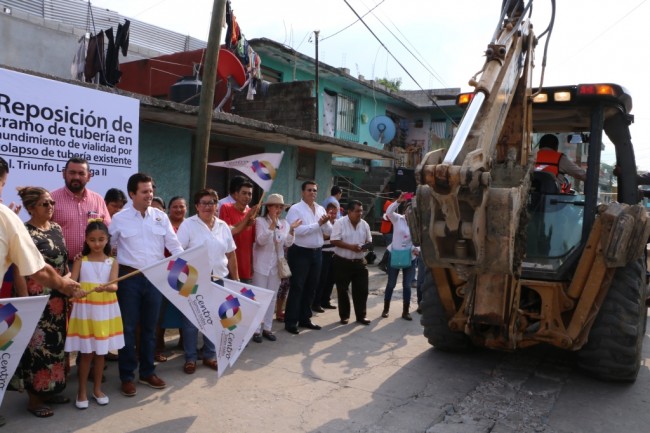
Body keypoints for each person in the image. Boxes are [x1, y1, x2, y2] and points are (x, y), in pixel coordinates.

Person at [12, 186, 85, 418]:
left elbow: (61, 264)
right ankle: (35, 399)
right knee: (38, 348)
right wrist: (25, 303)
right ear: (31, 207)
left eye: (52, 202)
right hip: (36, 299)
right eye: (45, 203)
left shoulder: (55, 228)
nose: (51, 207)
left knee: (56, 346)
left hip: (58, 298)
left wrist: (68, 287)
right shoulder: (24, 232)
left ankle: (51, 390)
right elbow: (19, 269)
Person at [108, 173, 183, 397]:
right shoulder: (120, 219)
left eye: (151, 191)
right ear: (132, 194)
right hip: (128, 279)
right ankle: (127, 376)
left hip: (155, 278)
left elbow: (174, 246)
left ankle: (148, 372)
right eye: (144, 191)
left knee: (150, 329)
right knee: (129, 329)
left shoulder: (160, 217)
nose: (149, 195)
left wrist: (186, 265)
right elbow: (109, 248)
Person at [176, 189, 238, 373]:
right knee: (191, 321)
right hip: (193, 280)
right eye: (203, 203)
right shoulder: (188, 225)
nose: (208, 206)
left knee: (214, 319)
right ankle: (190, 358)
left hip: (219, 278)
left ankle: (210, 355)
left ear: (216, 205)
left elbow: (231, 253)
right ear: (196, 206)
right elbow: (178, 252)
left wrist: (236, 279)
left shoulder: (223, 226)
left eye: (212, 202)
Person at [65, 220, 124, 409]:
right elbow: (72, 284)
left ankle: (97, 389)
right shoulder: (80, 260)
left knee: (101, 354)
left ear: (107, 240)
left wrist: (107, 288)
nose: (97, 244)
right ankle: (81, 391)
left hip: (105, 310)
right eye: (92, 240)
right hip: (86, 310)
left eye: (101, 239)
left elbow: (115, 286)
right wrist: (76, 291)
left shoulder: (112, 261)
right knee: (86, 353)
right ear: (86, 240)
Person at [251, 194, 300, 343]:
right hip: (261, 264)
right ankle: (256, 330)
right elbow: (260, 241)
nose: (278, 210)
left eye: (280, 207)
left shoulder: (284, 223)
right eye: (275, 206)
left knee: (272, 297)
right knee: (259, 297)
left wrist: (291, 230)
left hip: (275, 265)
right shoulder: (260, 221)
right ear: (269, 208)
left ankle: (267, 327)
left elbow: (287, 243)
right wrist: (271, 226)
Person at [284, 181, 329, 334]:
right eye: (309, 190)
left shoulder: (320, 208)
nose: (312, 193)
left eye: (315, 190)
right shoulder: (295, 209)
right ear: (302, 192)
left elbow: (327, 228)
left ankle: (305, 318)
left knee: (311, 287)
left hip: (317, 252)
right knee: (297, 287)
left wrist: (327, 222)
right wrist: (318, 224)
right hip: (300, 252)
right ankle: (291, 321)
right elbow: (299, 231)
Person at [50, 157, 112, 262]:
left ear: (88, 176)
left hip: (92, 265)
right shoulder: (51, 199)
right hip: (62, 266)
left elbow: (107, 230)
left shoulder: (98, 200)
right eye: (72, 173)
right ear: (64, 173)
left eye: (81, 173)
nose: (76, 177)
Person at [155, 195, 188, 361]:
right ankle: (158, 343)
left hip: (185, 273)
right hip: (164, 272)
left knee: (184, 308)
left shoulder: (190, 225)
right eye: (175, 206)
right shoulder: (164, 223)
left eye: (181, 206)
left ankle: (184, 341)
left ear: (187, 208)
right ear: (169, 209)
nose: (178, 209)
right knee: (162, 310)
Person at [330, 200, 373, 325]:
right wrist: (350, 247)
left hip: (359, 262)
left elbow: (369, 241)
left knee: (362, 290)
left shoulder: (365, 224)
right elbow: (334, 240)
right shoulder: (340, 223)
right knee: (342, 290)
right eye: (357, 211)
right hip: (342, 262)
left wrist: (365, 247)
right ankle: (344, 316)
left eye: (361, 210)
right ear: (349, 211)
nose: (360, 213)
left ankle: (361, 316)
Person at [381, 192, 419, 321]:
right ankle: (386, 309)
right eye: (409, 210)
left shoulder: (417, 224)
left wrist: (416, 249)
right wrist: (398, 201)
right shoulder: (397, 219)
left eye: (413, 210)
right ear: (405, 210)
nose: (411, 213)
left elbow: (420, 240)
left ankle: (405, 311)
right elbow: (389, 212)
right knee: (391, 284)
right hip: (395, 255)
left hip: (410, 257)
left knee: (407, 286)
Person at [219, 180, 258, 284]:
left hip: (245, 265)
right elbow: (230, 232)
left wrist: (251, 264)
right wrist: (247, 219)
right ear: (236, 194)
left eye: (249, 194)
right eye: (244, 193)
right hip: (229, 262)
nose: (247, 196)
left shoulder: (252, 214)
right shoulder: (226, 208)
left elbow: (252, 243)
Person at [311, 202, 339, 312]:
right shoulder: (322, 223)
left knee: (331, 279)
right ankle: (316, 303)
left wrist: (332, 236)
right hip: (323, 253)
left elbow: (339, 236)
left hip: (334, 253)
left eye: (335, 213)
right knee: (321, 279)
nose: (333, 215)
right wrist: (333, 236)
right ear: (327, 213)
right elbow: (323, 236)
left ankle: (325, 300)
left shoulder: (337, 223)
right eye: (331, 212)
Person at [377, 190, 401, 273]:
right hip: (388, 230)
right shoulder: (389, 204)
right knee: (391, 249)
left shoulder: (392, 204)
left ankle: (384, 264)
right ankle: (384, 264)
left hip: (391, 230)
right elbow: (387, 217)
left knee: (390, 248)